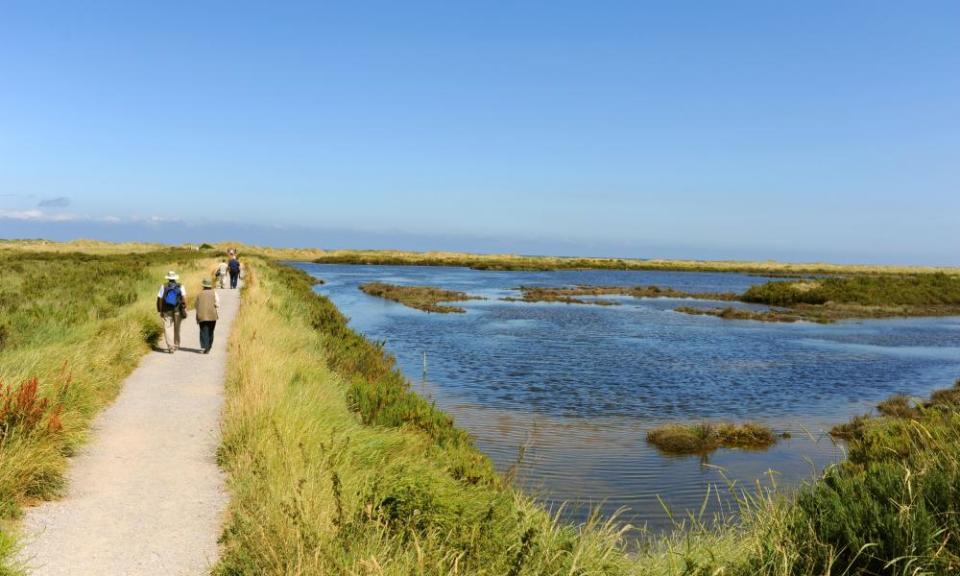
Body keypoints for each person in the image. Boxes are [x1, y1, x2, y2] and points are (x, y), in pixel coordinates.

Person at [156, 271, 186, 353]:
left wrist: (160, 310)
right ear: (175, 278)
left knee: (168, 327)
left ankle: (170, 347)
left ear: (168, 278)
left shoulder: (163, 286)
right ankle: (176, 344)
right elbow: (183, 299)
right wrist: (184, 308)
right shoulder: (180, 286)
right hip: (177, 310)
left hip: (166, 310)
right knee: (177, 328)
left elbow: (160, 299)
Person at [195, 278, 220, 353]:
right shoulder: (214, 293)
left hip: (202, 315)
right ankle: (209, 346)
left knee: (203, 330)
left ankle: (205, 347)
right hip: (212, 315)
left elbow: (196, 305)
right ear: (210, 286)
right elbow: (217, 304)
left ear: (203, 286)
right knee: (211, 331)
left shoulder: (199, 294)